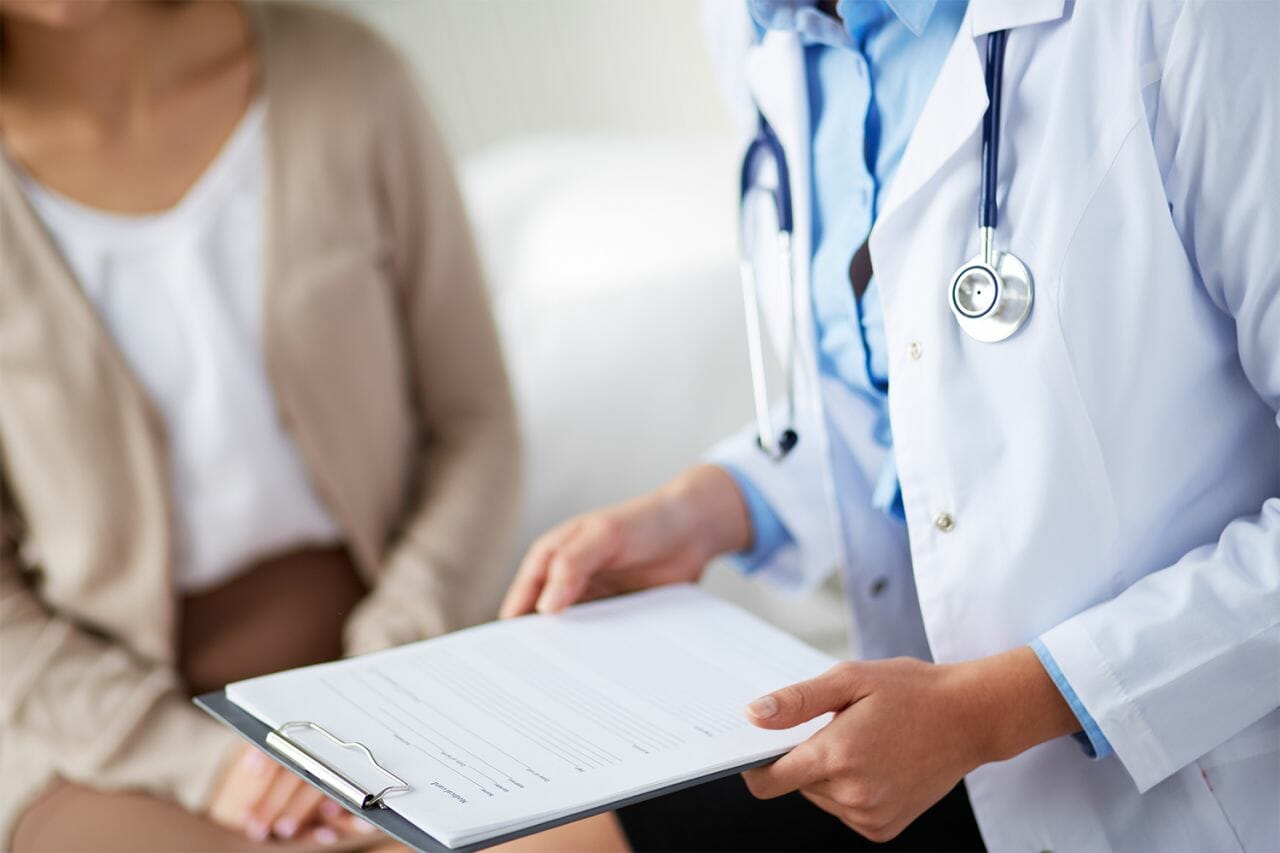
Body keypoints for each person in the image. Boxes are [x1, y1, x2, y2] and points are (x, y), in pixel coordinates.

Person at [500, 0, 1279, 850]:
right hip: (917, 753)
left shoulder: (1190, 19)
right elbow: (907, 394)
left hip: (1185, 781)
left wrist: (994, 710)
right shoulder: (757, 27)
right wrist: (711, 507)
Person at [0, 0, 520, 850]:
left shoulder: (348, 80)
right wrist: (208, 765)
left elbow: (476, 424)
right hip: (98, 731)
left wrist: (387, 677)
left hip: (398, 652)